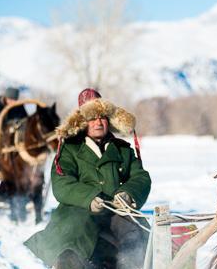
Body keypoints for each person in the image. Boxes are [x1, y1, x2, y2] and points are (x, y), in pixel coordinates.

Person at [25, 88, 151, 269]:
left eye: (102, 117)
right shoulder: (69, 149)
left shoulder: (122, 149)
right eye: (92, 117)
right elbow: (62, 183)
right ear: (82, 121)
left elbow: (140, 177)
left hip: (116, 211)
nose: (98, 122)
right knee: (72, 245)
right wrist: (89, 197)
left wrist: (128, 194)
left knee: (138, 238)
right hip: (78, 212)